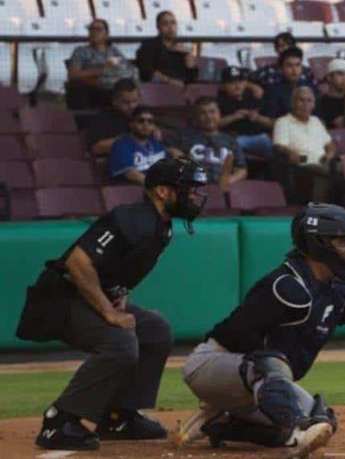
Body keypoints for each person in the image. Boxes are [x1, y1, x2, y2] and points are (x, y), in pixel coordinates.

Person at [172, 204, 345, 457]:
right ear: (319, 244)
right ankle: (290, 429)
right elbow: (233, 335)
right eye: (343, 240)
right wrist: (268, 384)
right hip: (211, 365)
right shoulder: (286, 286)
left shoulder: (334, 291)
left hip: (256, 381)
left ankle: (220, 423)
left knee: (323, 421)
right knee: (272, 369)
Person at [16, 158, 207, 451]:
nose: (194, 195)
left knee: (154, 330)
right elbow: (78, 262)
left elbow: (119, 267)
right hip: (59, 298)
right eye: (187, 188)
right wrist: (107, 311)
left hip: (86, 297)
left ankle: (119, 416)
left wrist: (120, 297)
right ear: (161, 191)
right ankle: (58, 421)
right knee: (121, 343)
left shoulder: (161, 226)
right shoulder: (133, 218)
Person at [169, 97, 248, 192]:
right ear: (196, 117)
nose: (209, 117)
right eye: (203, 113)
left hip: (222, 190)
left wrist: (229, 180)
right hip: (192, 189)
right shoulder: (184, 137)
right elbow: (169, 150)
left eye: (212, 112)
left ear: (219, 114)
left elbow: (242, 169)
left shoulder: (230, 141)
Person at [66, 19, 138, 109]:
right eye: (91, 29)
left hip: (114, 87)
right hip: (92, 88)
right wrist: (101, 71)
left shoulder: (113, 51)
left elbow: (124, 68)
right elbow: (73, 74)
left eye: (98, 29)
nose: (94, 32)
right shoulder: (81, 51)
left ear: (106, 34)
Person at [217, 66, 275, 158]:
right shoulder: (220, 101)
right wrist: (235, 116)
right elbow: (215, 123)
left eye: (240, 82)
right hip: (234, 137)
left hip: (259, 137)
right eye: (232, 83)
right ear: (223, 86)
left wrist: (257, 118)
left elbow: (272, 123)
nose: (237, 86)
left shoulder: (252, 97)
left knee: (278, 149)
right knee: (230, 146)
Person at [86, 79, 152, 157]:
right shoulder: (103, 118)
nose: (131, 106)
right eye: (126, 102)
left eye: (135, 101)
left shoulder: (142, 114)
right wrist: (129, 138)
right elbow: (96, 148)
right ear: (114, 101)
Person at [135, 11, 198, 89]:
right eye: (165, 23)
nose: (170, 27)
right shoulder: (149, 45)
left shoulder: (183, 49)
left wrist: (188, 57)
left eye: (173, 23)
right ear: (158, 27)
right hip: (157, 89)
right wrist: (170, 81)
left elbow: (193, 78)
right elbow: (146, 71)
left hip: (181, 89)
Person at [108, 107, 168, 185]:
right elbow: (130, 174)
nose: (145, 124)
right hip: (132, 190)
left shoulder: (156, 144)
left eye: (150, 122)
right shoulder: (121, 145)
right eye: (141, 121)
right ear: (131, 124)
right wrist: (157, 186)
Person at [262, 47, 319, 119]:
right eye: (289, 65)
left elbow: (319, 116)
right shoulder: (273, 91)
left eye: (297, 65)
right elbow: (271, 119)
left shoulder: (310, 87)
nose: (294, 70)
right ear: (281, 69)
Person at [250, 32, 317, 89]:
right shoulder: (267, 72)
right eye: (282, 46)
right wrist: (254, 87)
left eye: (289, 45)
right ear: (276, 49)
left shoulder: (307, 73)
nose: (286, 49)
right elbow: (247, 81)